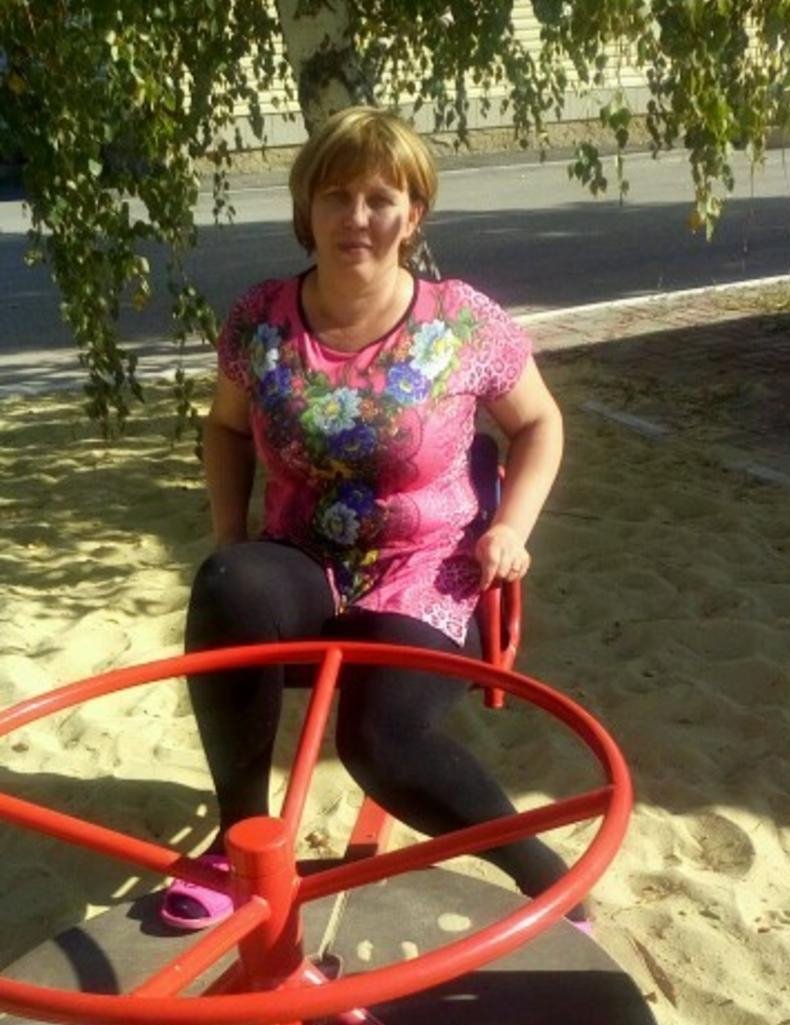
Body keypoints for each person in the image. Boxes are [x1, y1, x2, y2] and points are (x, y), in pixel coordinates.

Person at [161, 105, 586, 929]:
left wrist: (511, 528)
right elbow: (225, 428)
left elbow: (540, 422)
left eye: (380, 198)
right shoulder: (260, 320)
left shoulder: (461, 321)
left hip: (426, 570)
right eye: (336, 195)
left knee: (378, 742)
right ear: (307, 206)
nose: (356, 217)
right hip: (304, 557)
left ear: (413, 214)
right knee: (229, 583)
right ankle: (237, 842)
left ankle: (541, 872)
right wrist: (231, 535)